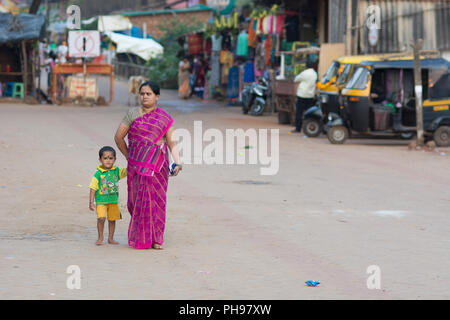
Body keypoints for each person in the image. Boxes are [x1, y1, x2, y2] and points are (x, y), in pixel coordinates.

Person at [114, 81, 182, 250]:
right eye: (142, 93)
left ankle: (156, 239)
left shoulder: (164, 117)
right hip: (136, 167)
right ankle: (142, 236)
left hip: (157, 166)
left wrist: (178, 161)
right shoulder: (132, 114)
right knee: (136, 201)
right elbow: (118, 137)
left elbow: (171, 142)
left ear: (157, 97)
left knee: (157, 202)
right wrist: (130, 157)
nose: (144, 97)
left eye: (149, 94)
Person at [89, 146, 127, 246]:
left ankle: (110, 238)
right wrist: (91, 202)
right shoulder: (98, 174)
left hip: (113, 201)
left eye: (111, 158)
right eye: (105, 158)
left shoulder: (117, 171)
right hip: (101, 201)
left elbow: (128, 171)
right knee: (101, 218)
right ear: (100, 160)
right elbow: (93, 187)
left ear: (115, 159)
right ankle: (100, 237)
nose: (108, 161)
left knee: (112, 219)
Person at [292, 60, 318, 133]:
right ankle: (308, 128)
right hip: (310, 96)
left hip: (302, 95)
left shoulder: (304, 73)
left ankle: (298, 128)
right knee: (309, 112)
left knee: (299, 112)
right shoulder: (315, 74)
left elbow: (296, 79)